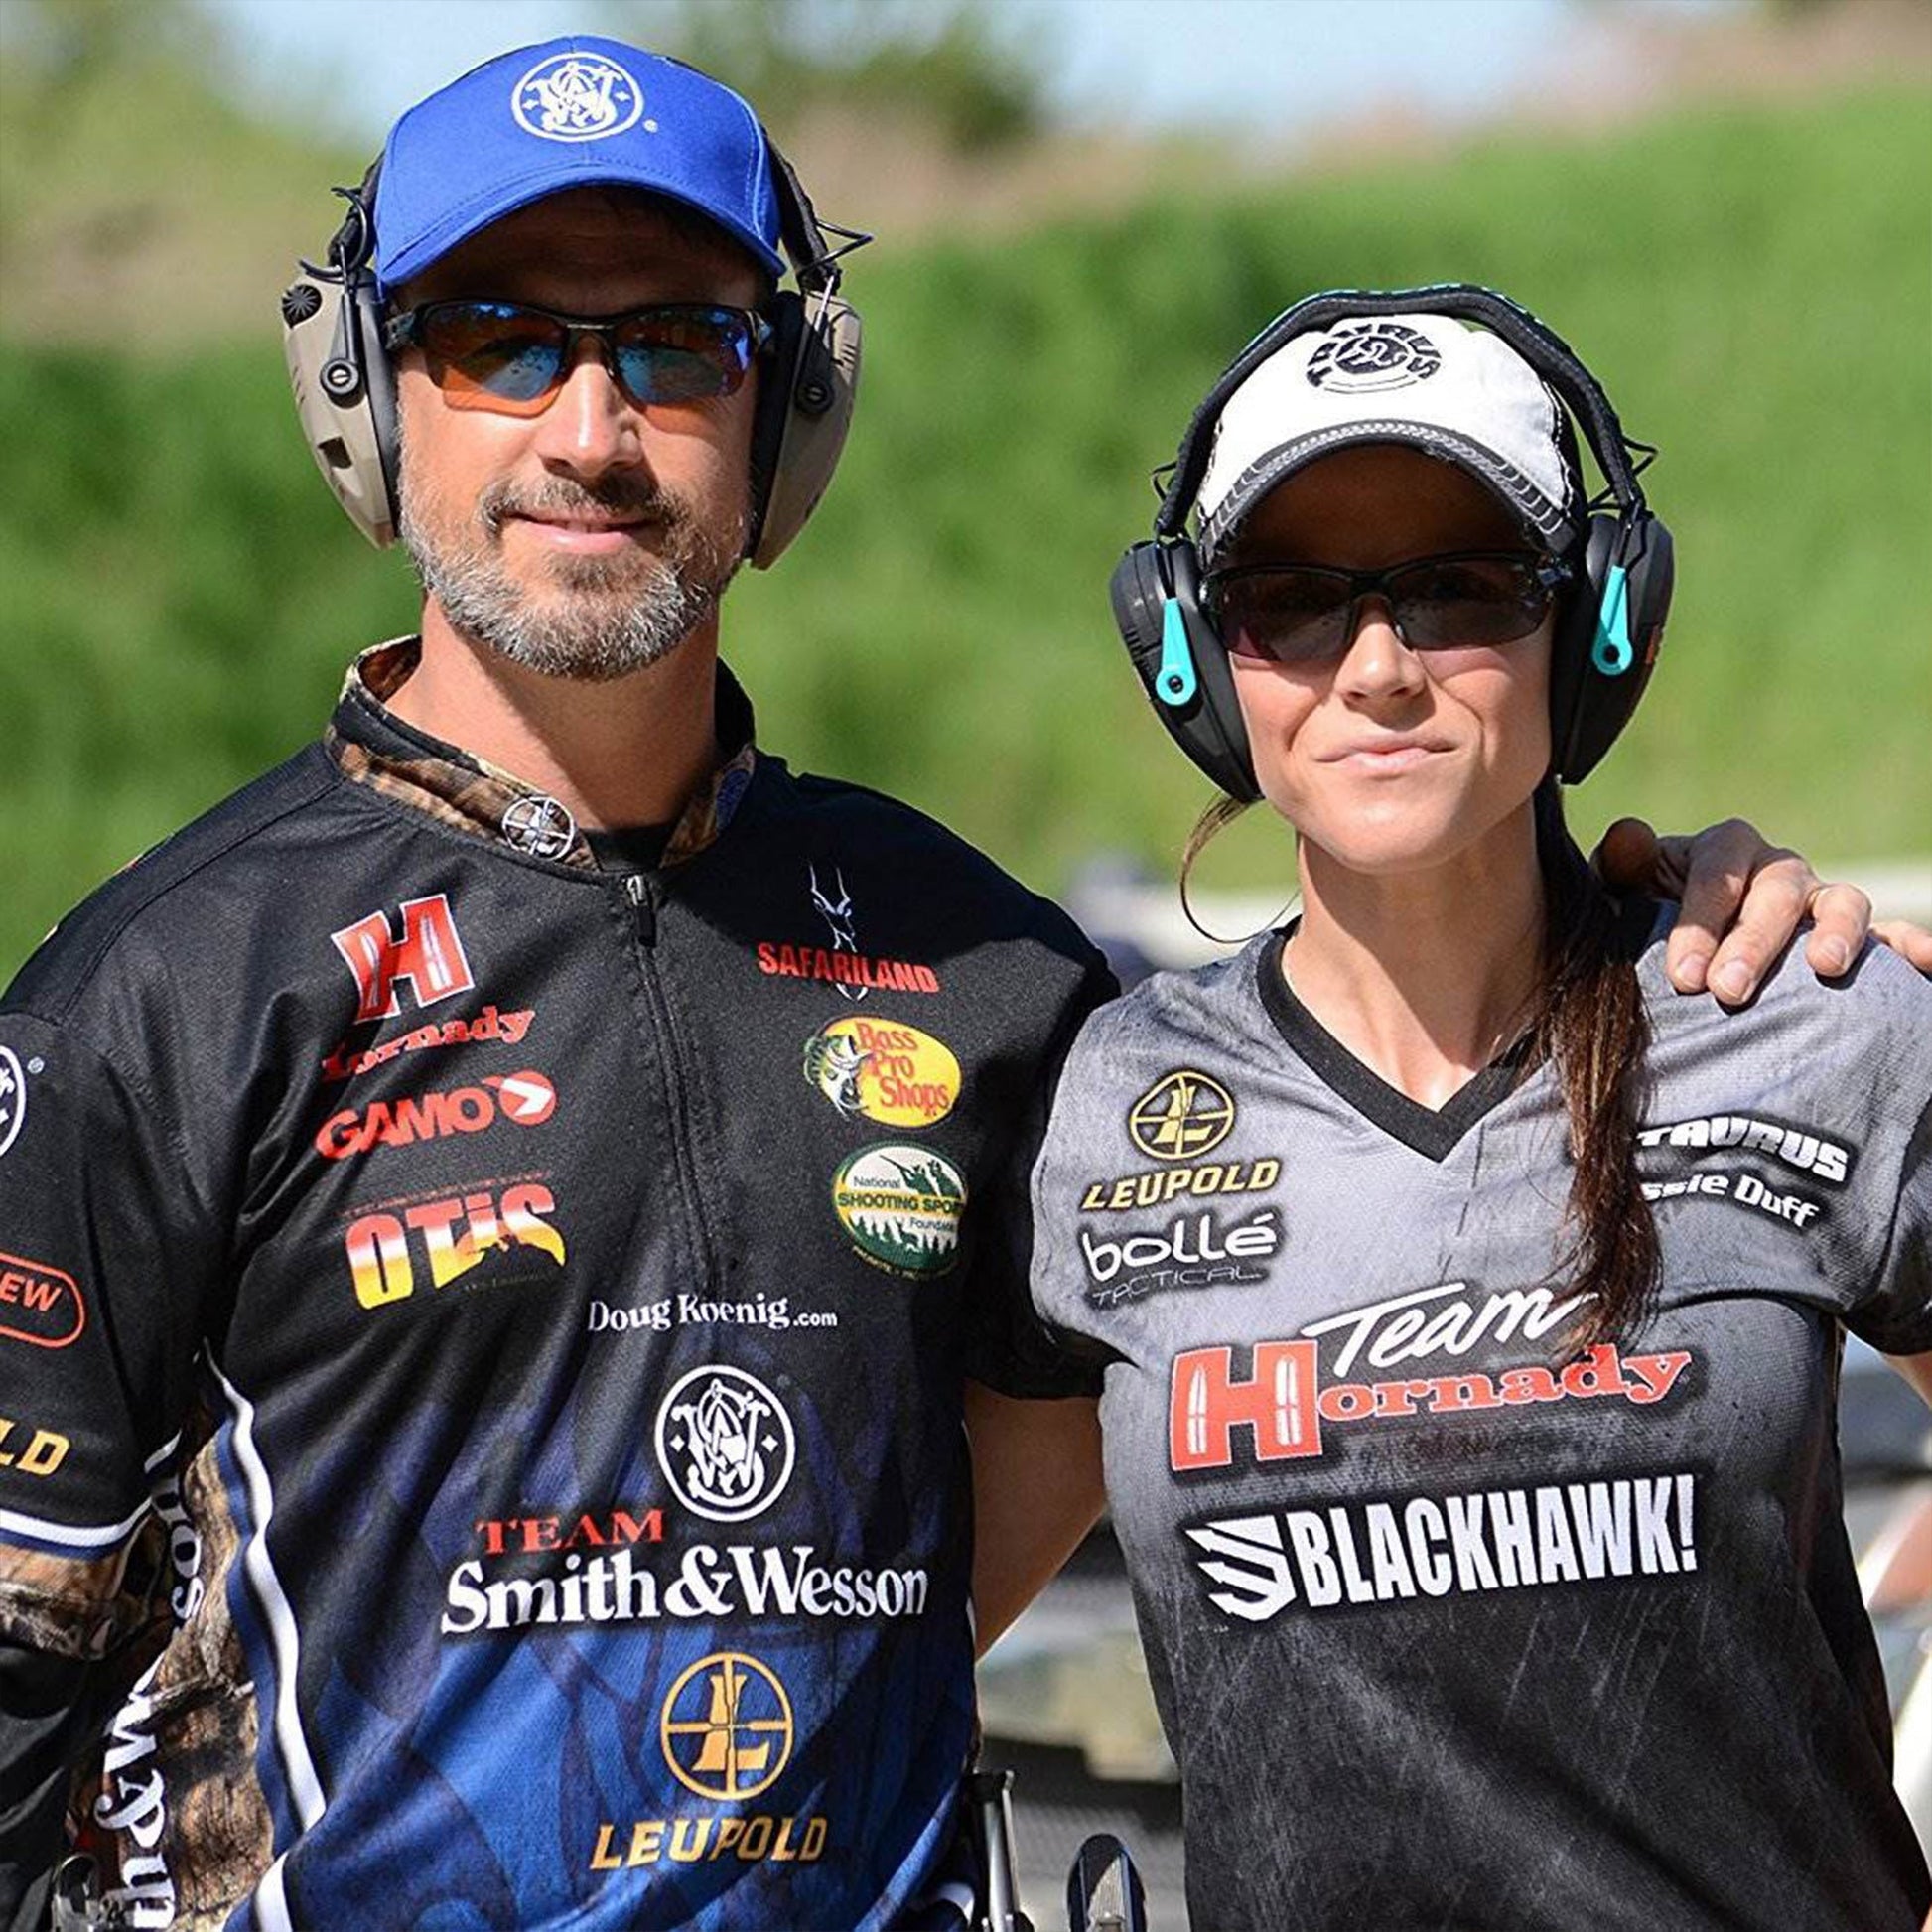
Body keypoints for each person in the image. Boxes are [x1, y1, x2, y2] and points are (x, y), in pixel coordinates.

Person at [0, 39, 1898, 1931]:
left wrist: (1712, 925)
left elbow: (952, 1562)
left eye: (677, 345)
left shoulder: (994, 978)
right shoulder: (158, 999)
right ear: (362, 398)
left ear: (792, 412)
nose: (589, 430)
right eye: (499, 342)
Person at [1026, 288, 1932, 1929]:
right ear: (1192, 655)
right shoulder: (1095, 1103)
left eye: (1459, 588)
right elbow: (879, 1621)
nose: (1378, 668)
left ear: (1589, 626)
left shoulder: (1805, 1012)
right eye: (1289, 600)